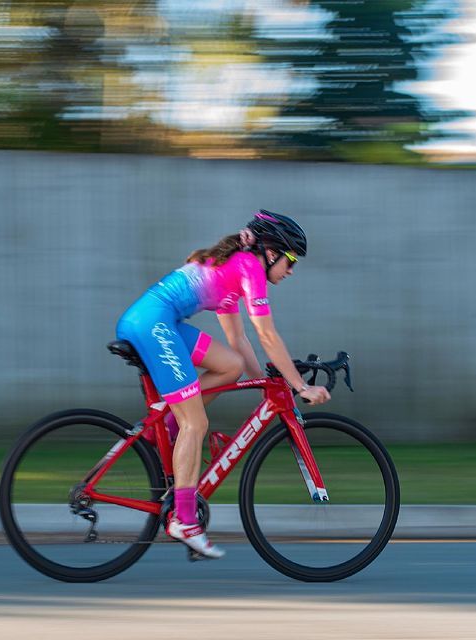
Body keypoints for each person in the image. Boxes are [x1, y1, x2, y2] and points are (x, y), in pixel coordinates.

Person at [115, 210, 330, 559]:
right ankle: (185, 521)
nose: (291, 270)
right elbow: (267, 334)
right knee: (195, 423)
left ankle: (166, 428)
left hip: (157, 321)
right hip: (153, 325)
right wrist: (300, 386)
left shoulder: (234, 271)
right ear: (270, 252)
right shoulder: (249, 268)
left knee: (229, 366)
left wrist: (267, 383)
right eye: (290, 260)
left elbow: (238, 341)